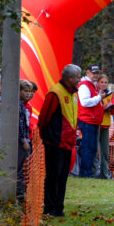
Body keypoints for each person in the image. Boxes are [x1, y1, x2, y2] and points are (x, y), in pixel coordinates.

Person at [38, 64, 81, 217]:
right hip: (55, 142)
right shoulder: (55, 93)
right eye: (77, 77)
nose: (79, 80)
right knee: (53, 176)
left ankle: (59, 207)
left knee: (63, 176)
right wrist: (46, 136)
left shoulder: (74, 94)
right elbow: (43, 118)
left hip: (68, 143)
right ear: (70, 78)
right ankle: (49, 208)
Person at [77, 63, 105, 177]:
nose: (95, 75)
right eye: (93, 73)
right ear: (87, 72)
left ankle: (88, 172)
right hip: (87, 120)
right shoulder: (84, 85)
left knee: (92, 148)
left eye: (97, 73)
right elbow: (84, 102)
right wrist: (99, 97)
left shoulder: (93, 85)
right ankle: (85, 173)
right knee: (88, 148)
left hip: (93, 121)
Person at [95, 74, 114, 179]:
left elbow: (112, 113)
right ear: (98, 83)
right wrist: (104, 107)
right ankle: (94, 172)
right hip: (96, 124)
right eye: (102, 82)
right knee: (95, 150)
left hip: (106, 124)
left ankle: (104, 174)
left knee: (105, 151)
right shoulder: (95, 93)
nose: (104, 84)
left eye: (105, 82)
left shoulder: (110, 94)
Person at [17, 80, 34, 203]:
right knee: (20, 169)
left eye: (30, 91)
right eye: (25, 91)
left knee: (23, 168)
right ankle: (19, 195)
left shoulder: (23, 105)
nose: (28, 94)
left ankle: (21, 193)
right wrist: (24, 140)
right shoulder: (18, 105)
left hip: (25, 139)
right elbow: (20, 125)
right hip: (21, 141)